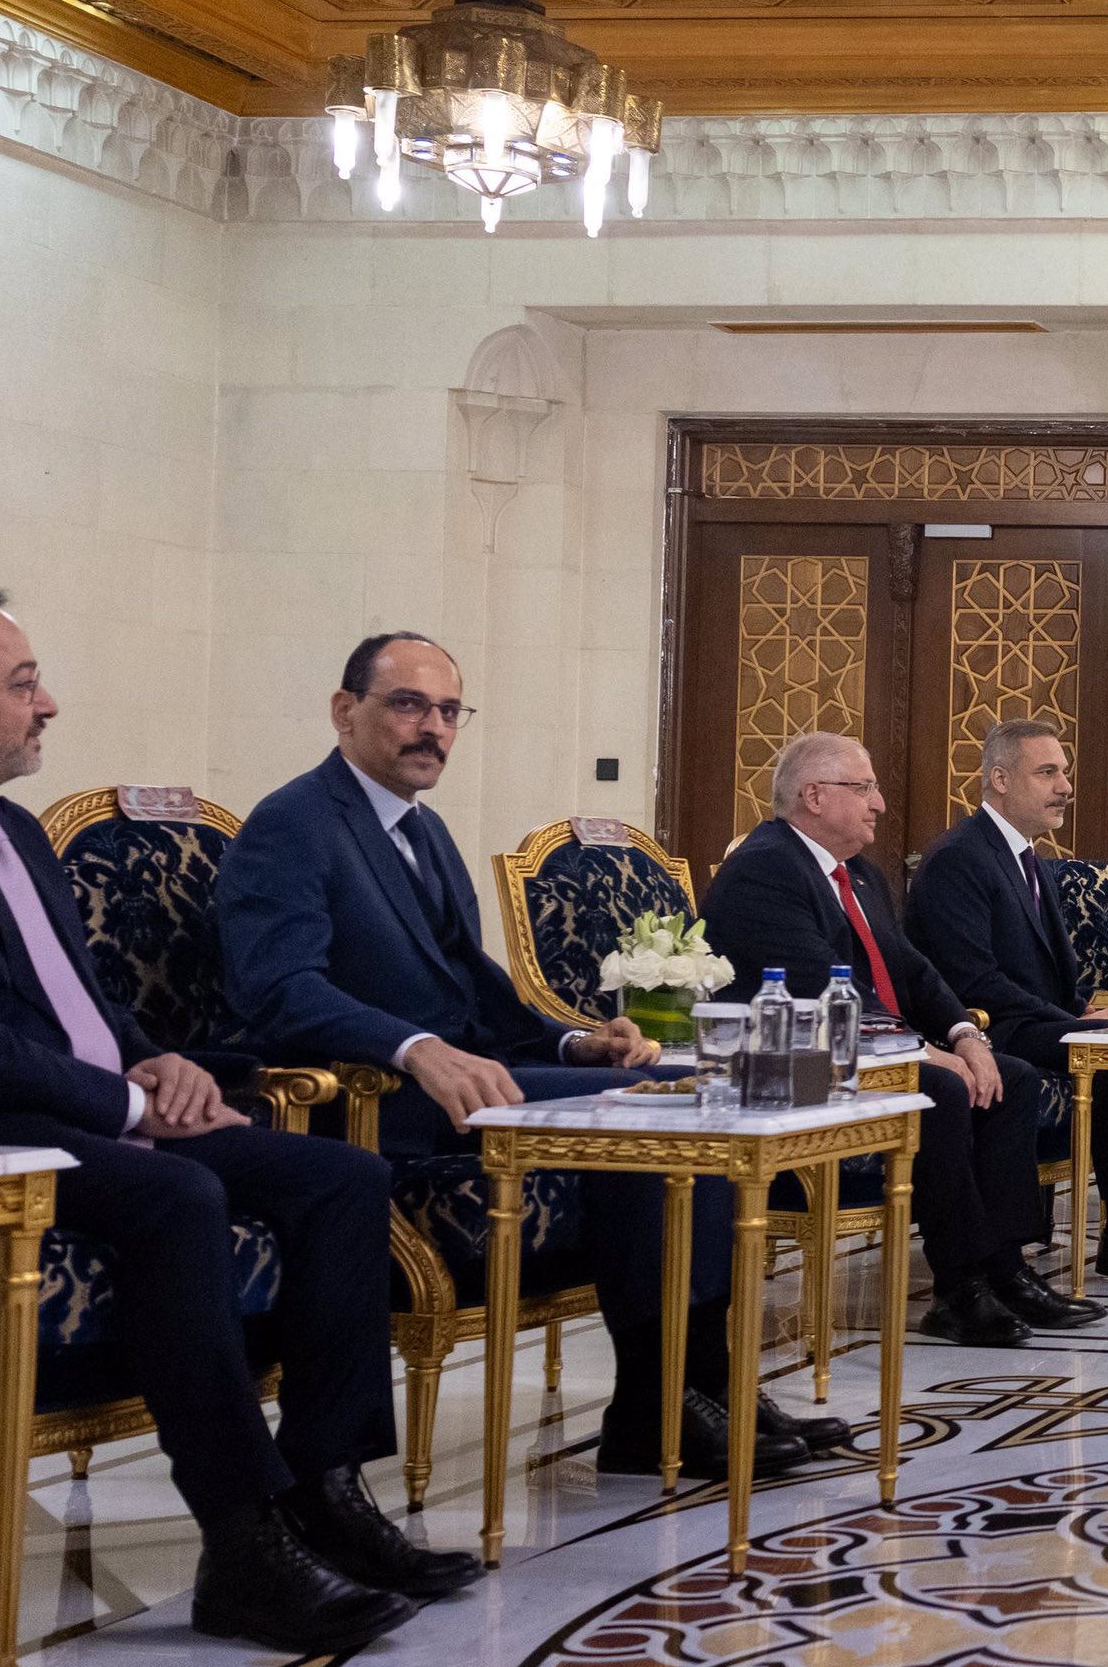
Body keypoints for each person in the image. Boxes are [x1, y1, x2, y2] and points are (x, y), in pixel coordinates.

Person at [0, 585, 466, 1655]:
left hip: (74, 1107)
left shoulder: (8, 826)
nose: (48, 704)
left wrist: (154, 1058)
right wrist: (128, 1102)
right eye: (22, 684)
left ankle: (326, 1489)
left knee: (341, 1178)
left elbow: (77, 999)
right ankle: (243, 1541)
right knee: (174, 1193)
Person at [216, 632, 841, 1480]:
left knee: (687, 1086)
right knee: (653, 1117)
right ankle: (657, 1404)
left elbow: (472, 982)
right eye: (409, 705)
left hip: (470, 1078)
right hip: (372, 1095)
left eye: (449, 711)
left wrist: (575, 1041)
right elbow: (278, 987)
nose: (433, 728)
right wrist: (415, 1047)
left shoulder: (423, 829)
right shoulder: (293, 824)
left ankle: (702, 1383)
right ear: (344, 710)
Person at [705, 734, 1097, 1348]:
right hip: (790, 1061)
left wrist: (965, 1036)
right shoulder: (766, 868)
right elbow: (821, 990)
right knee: (939, 1089)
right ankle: (959, 1290)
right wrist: (925, 1052)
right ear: (813, 796)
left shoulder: (857, 873)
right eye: (863, 788)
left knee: (1011, 1077)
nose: (880, 803)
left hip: (865, 1047)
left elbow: (913, 972)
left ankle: (1004, 1267)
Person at [908, 717, 1108, 1292]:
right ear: (1000, 779)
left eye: (1065, 773)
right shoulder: (960, 857)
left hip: (1038, 1020)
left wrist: (1079, 1009)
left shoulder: (1026, 856)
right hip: (991, 1028)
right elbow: (974, 978)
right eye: (1047, 773)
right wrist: (1071, 1020)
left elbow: (1045, 974)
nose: (1066, 787)